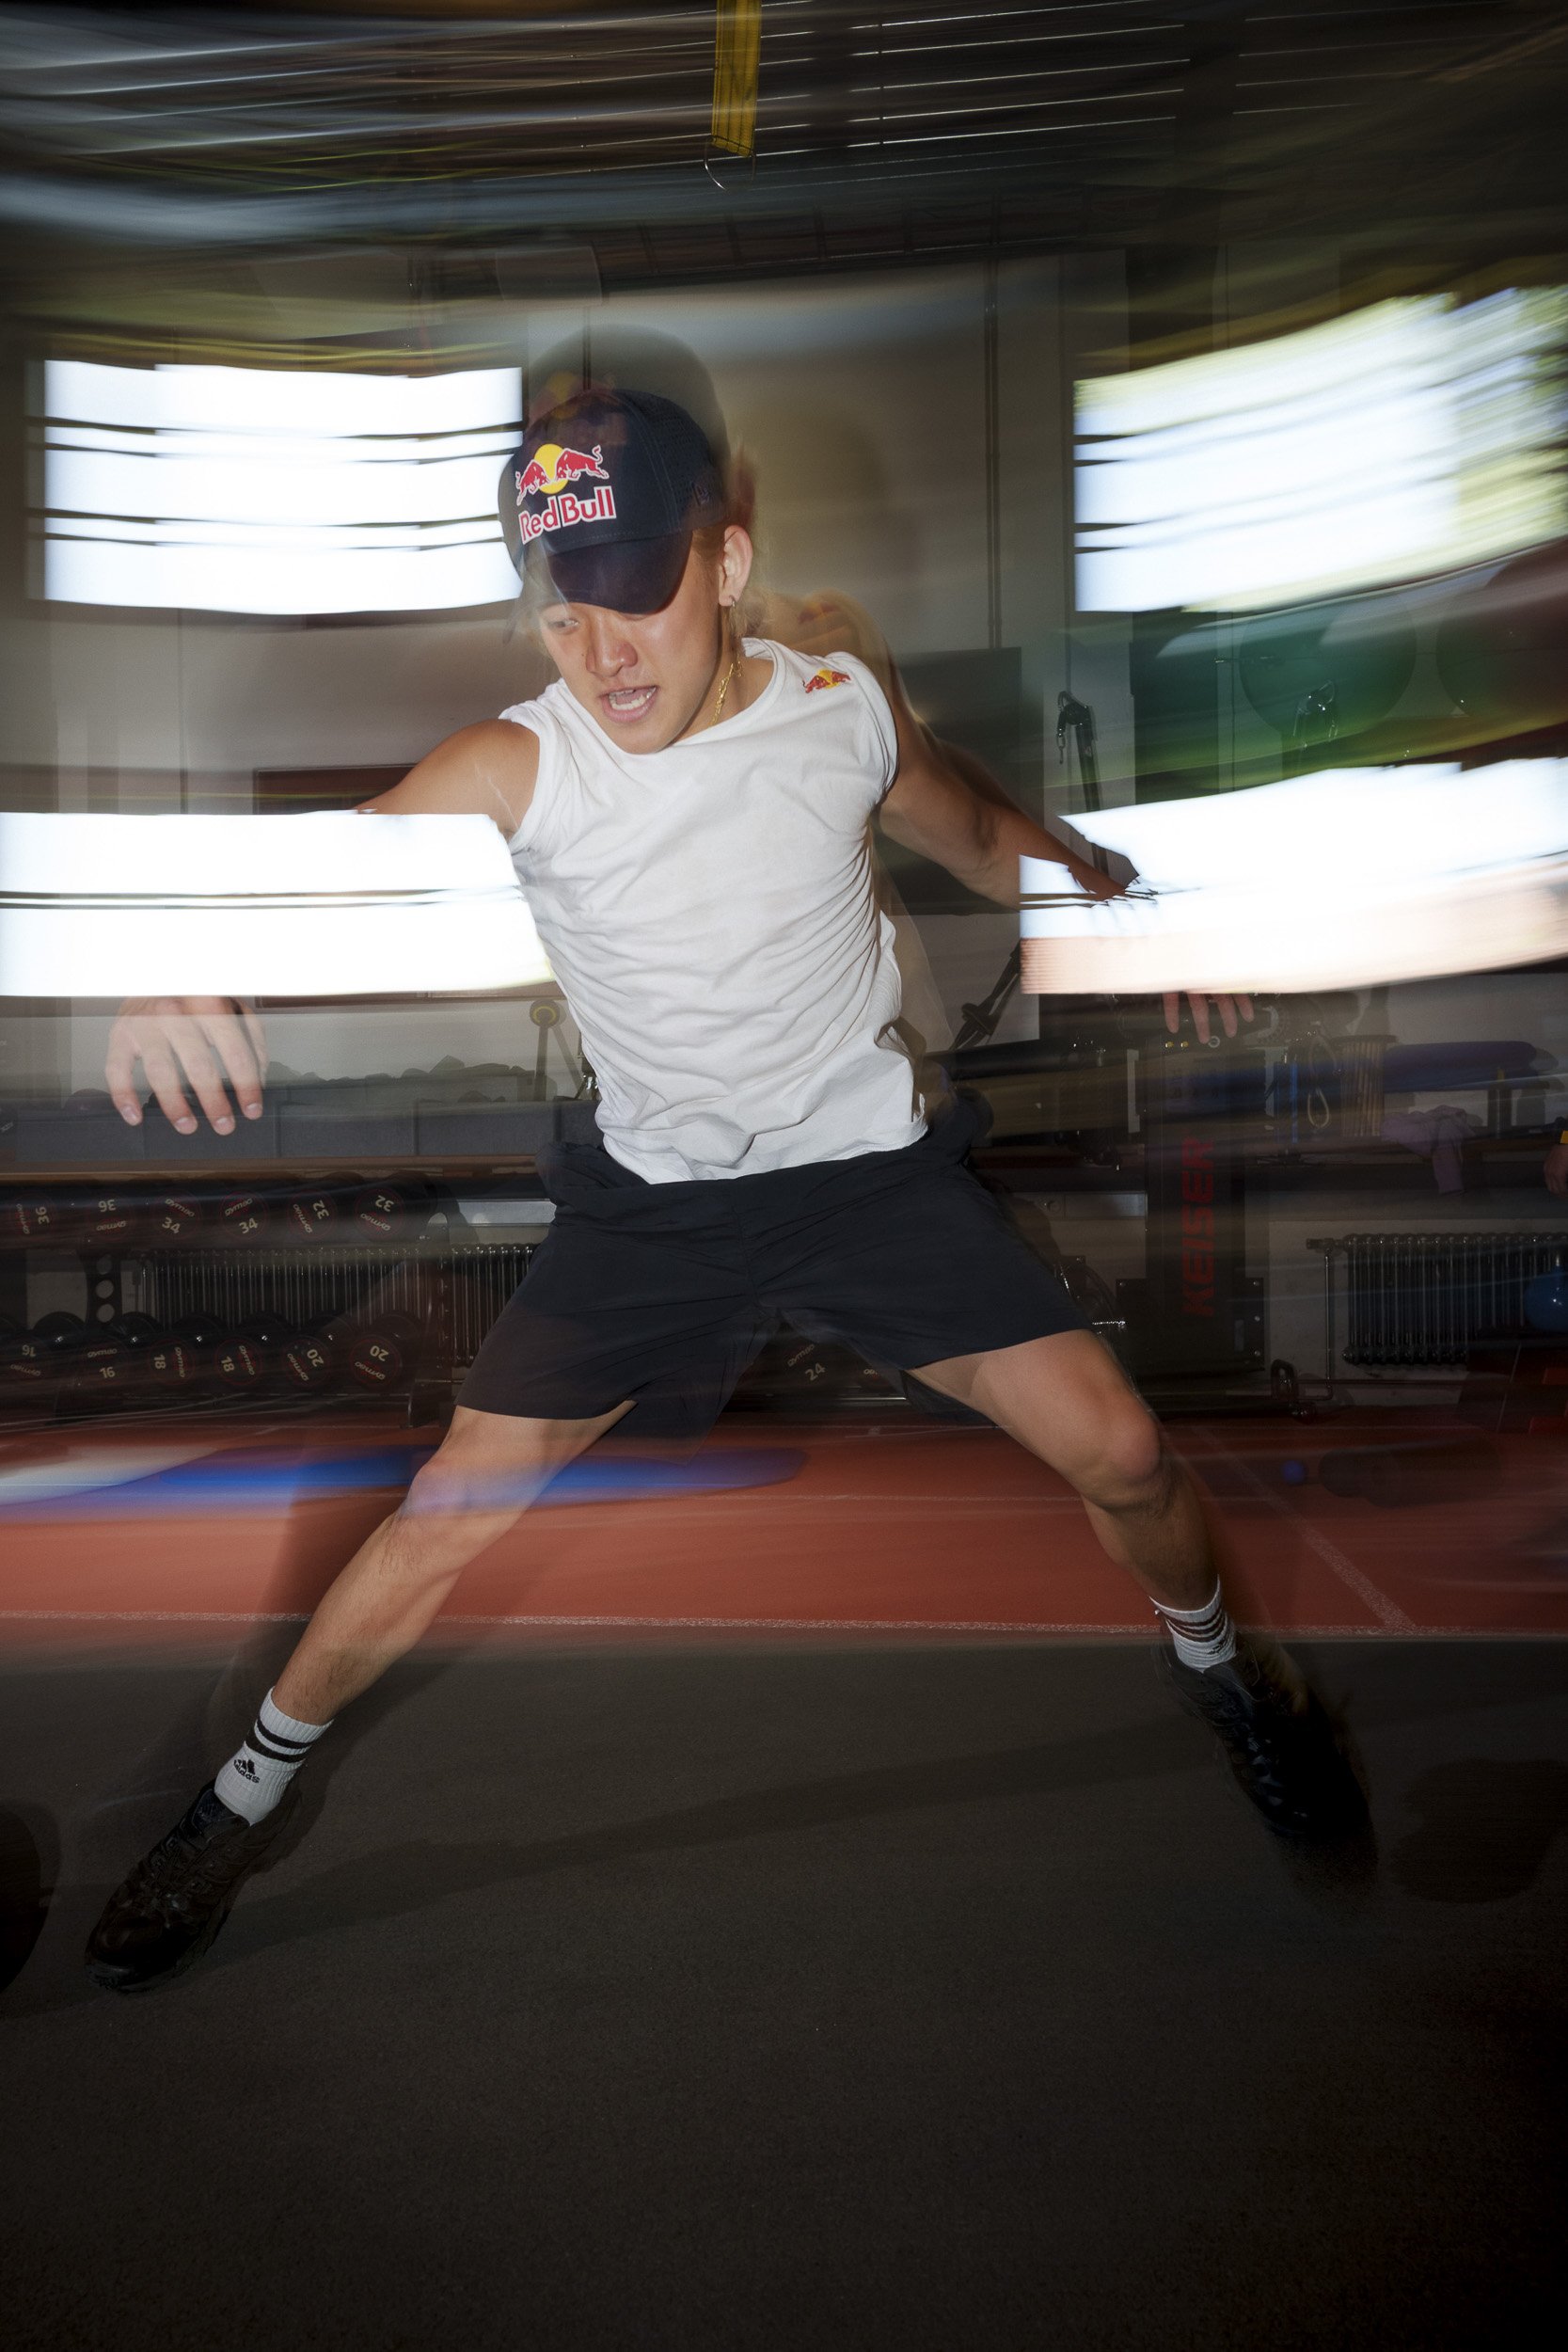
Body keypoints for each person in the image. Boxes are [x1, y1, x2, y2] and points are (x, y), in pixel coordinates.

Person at [86, 385, 1364, 1994]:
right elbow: (331, 866)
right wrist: (186, 958)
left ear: (727, 563)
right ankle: (239, 1803)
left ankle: (1233, 1679)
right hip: (658, 1211)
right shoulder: (524, 763)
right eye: (565, 612)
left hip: (865, 1186)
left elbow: (976, 830)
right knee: (444, 1516)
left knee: (1120, 1448)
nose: (604, 653)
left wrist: (1117, 886)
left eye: (639, 595)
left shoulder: (838, 711)